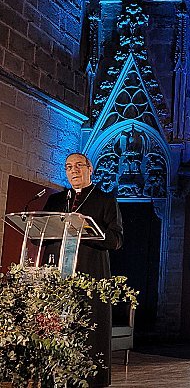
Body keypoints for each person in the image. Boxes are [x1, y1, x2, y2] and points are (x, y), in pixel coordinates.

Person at [43, 152, 123, 387]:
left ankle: (91, 379)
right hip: (57, 279)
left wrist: (88, 229)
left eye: (79, 165)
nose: (74, 170)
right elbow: (40, 235)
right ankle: (53, 376)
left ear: (90, 169)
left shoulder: (105, 200)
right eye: (68, 167)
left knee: (90, 328)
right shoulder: (56, 200)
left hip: (91, 277)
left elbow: (116, 240)